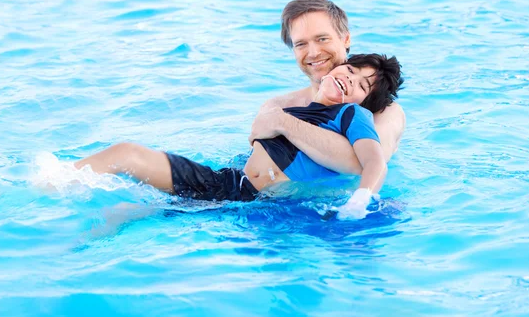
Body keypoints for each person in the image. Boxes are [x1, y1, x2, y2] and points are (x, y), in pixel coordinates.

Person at [74, 54, 403, 219]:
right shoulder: (292, 111)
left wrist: (363, 198)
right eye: (352, 69)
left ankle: (53, 190)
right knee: (125, 164)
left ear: (365, 103)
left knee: (131, 179)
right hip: (231, 186)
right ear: (337, 67)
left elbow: (375, 162)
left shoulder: (352, 115)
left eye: (363, 85)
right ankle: (57, 183)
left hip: (259, 202)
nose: (350, 79)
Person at [249, 0, 406, 194]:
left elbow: (366, 165)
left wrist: (284, 124)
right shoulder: (279, 104)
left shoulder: (384, 112)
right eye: (301, 44)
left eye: (322, 39)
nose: (313, 53)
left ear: (345, 39)